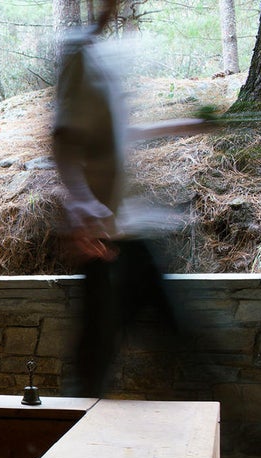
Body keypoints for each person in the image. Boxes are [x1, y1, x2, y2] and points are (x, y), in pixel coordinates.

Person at [53, 0, 216, 397]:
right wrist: (82, 203)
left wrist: (187, 124)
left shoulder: (103, 64)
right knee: (99, 351)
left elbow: (122, 134)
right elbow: (61, 141)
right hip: (104, 239)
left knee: (173, 330)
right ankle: (71, 431)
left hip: (129, 231)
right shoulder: (77, 54)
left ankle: (219, 421)